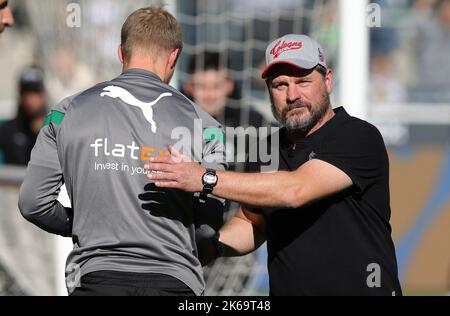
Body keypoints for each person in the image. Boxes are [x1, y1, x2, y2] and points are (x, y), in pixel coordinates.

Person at [145, 34, 403, 296]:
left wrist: (204, 178)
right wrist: (213, 245)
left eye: (303, 81)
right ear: (268, 89)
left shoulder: (357, 135)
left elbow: (294, 191)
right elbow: (253, 222)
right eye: (280, 85)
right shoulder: (267, 148)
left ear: (327, 81)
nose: (292, 95)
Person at [18, 6, 226, 296]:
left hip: (94, 278)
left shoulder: (65, 112)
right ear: (174, 57)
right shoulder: (207, 126)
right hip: (174, 282)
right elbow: (209, 222)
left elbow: (32, 202)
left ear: (120, 53)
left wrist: (85, 225)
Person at [184, 51, 268, 129]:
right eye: (202, 86)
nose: (210, 95)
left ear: (229, 85)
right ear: (188, 87)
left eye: (216, 86)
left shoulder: (253, 123)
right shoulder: (175, 122)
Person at [0, 67, 47, 165]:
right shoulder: (8, 131)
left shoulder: (57, 131)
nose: (29, 99)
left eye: (34, 93)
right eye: (26, 93)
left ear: (43, 95)